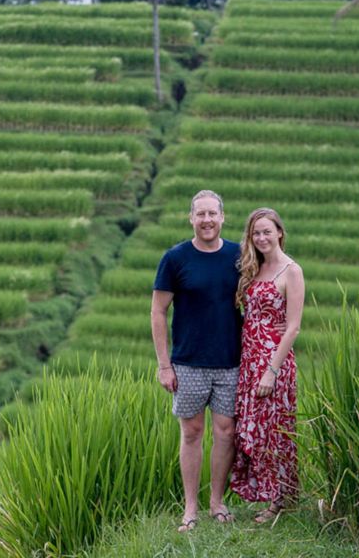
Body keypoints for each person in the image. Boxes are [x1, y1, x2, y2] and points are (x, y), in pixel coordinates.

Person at [151, 190, 243, 532]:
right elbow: (158, 311)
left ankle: (217, 503)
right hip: (188, 362)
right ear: (191, 218)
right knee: (191, 432)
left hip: (230, 362)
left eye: (212, 214)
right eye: (200, 214)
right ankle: (190, 508)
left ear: (223, 217)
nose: (207, 220)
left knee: (226, 432)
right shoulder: (175, 258)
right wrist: (164, 364)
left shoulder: (239, 255)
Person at [230, 207, 304, 524]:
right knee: (254, 429)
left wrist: (271, 372)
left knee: (275, 431)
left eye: (266, 231)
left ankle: (280, 500)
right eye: (256, 233)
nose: (261, 237)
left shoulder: (292, 271)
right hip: (249, 361)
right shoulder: (253, 268)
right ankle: (272, 495)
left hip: (273, 364)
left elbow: (293, 327)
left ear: (279, 233)